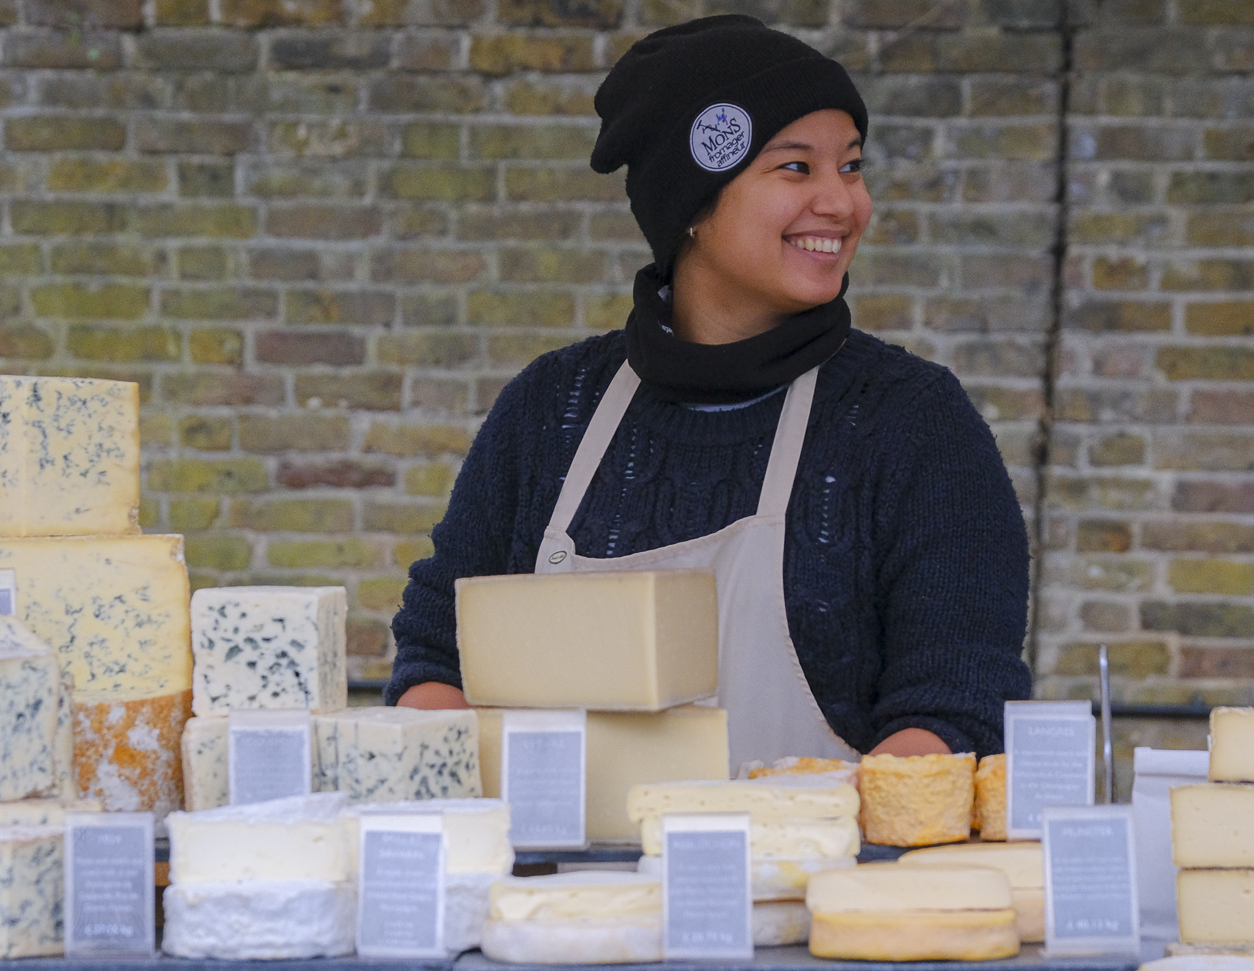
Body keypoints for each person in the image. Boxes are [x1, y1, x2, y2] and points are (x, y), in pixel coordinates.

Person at [388, 14, 1031, 765]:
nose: (843, 203)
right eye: (796, 168)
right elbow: (437, 658)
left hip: (816, 875)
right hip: (556, 882)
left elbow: (960, 702)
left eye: (850, 166)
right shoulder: (551, 410)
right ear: (692, 204)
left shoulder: (913, 423)